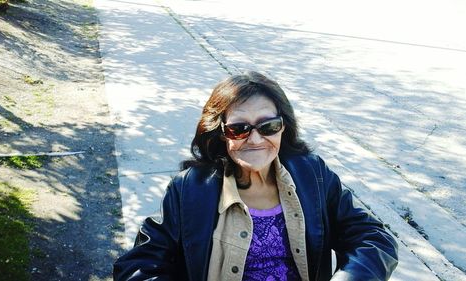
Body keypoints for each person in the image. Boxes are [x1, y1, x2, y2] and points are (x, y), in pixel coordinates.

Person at [113, 71, 398, 281]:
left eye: (269, 126)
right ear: (221, 134)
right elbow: (138, 266)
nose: (256, 139)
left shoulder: (312, 175)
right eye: (239, 128)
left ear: (283, 127)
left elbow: (372, 237)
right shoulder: (189, 189)